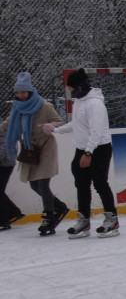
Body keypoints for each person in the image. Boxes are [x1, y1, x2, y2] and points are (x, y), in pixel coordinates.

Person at [43, 69, 118, 238]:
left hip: (98, 149)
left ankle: (112, 220)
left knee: (100, 183)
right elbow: (76, 125)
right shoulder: (79, 102)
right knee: (82, 184)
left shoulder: (95, 104)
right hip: (83, 149)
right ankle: (84, 221)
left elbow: (96, 132)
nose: (70, 92)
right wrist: (55, 129)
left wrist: (88, 153)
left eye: (71, 89)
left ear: (80, 87)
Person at [0, 72, 70, 236]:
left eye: (23, 92)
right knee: (33, 184)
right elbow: (5, 126)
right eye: (17, 93)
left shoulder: (44, 106)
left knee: (43, 184)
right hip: (30, 148)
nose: (20, 95)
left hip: (45, 147)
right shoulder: (18, 108)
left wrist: (50, 126)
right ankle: (59, 206)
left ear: (30, 92)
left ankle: (48, 218)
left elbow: (60, 121)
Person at [0, 117, 25, 230]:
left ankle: (4, 220)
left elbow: (5, 141)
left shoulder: (2, 123)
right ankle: (14, 213)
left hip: (5, 162)